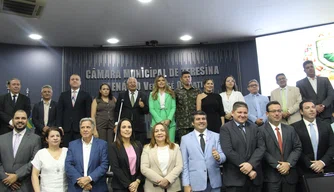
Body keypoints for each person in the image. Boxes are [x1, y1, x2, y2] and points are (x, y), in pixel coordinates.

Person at [220, 101, 265, 192]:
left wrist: (251, 164)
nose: (242, 115)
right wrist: (248, 169)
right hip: (235, 179)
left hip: (255, 178)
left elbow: (261, 148)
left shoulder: (254, 127)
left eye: (245, 113)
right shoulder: (225, 128)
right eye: (239, 112)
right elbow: (228, 151)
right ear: (232, 113)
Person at [291, 100, 334, 192]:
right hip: (303, 170)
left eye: (313, 107)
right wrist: (311, 164)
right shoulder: (293, 128)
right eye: (307, 108)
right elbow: (295, 149)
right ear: (301, 112)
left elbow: (332, 146)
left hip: (325, 169)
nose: (311, 110)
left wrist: (322, 162)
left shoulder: (326, 125)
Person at [259, 101, 302, 192]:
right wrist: (279, 166)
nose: (277, 113)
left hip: (290, 175)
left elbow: (297, 147)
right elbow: (262, 151)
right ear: (267, 114)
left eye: (279, 111)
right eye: (273, 111)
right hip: (271, 177)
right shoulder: (260, 131)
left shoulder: (290, 129)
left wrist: (288, 164)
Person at [181, 110, 226, 192]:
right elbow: (185, 164)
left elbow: (223, 156)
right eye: (198, 119)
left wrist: (219, 157)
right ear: (192, 123)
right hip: (196, 183)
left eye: (203, 119)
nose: (201, 121)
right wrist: (186, 184)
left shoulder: (216, 136)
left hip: (214, 183)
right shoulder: (185, 139)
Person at [0, 110, 41, 191]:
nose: (20, 121)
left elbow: (34, 161)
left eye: (23, 118)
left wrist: (16, 176)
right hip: (3, 185)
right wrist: (7, 179)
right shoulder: (1, 138)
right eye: (17, 118)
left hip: (23, 186)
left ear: (27, 120)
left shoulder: (35, 139)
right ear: (13, 120)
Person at [65, 118, 109, 192]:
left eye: (88, 127)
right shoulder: (72, 145)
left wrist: (89, 178)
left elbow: (104, 165)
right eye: (82, 127)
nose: (85, 130)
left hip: (96, 187)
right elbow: (68, 165)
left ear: (93, 129)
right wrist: (82, 182)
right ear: (80, 130)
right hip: (77, 187)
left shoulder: (102, 144)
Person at [141, 123, 183, 192]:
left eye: (162, 130)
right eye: (156, 131)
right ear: (153, 134)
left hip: (173, 187)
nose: (159, 133)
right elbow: (144, 168)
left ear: (166, 133)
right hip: (153, 188)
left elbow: (179, 166)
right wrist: (161, 181)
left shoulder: (175, 147)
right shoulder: (147, 148)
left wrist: (168, 180)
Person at [57, 74, 92, 147]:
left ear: (80, 82)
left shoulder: (86, 95)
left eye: (77, 79)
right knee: (66, 149)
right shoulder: (63, 95)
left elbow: (88, 112)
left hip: (80, 128)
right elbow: (59, 111)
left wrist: (87, 126)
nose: (74, 80)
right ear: (69, 82)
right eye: (72, 79)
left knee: (79, 148)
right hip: (66, 129)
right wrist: (59, 126)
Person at [110, 118, 144, 192]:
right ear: (119, 130)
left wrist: (137, 181)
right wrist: (130, 185)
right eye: (124, 127)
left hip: (137, 185)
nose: (127, 129)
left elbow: (143, 165)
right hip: (120, 187)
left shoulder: (138, 145)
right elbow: (115, 168)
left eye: (129, 127)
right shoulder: (113, 146)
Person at [31, 127, 68, 192]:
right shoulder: (41, 153)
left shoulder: (67, 152)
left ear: (61, 138)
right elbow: (34, 175)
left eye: (57, 136)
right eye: (52, 136)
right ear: (46, 139)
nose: (55, 138)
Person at [115, 77, 149, 145]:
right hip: (126, 127)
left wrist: (142, 106)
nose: (132, 84)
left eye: (134, 82)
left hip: (139, 128)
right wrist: (116, 124)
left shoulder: (143, 95)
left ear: (137, 84)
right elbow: (117, 111)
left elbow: (147, 111)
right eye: (130, 82)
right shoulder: (122, 95)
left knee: (140, 147)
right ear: (127, 85)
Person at [174, 71, 201, 144]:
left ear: (191, 78)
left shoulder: (197, 91)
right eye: (185, 77)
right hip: (182, 125)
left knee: (196, 145)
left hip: (194, 123)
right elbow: (174, 107)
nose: (187, 78)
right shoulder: (177, 91)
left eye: (189, 77)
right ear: (181, 79)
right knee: (183, 145)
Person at [149, 75, 176, 142]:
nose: (161, 82)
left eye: (163, 80)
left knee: (170, 143)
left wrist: (169, 119)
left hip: (170, 122)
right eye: (159, 81)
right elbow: (151, 109)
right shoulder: (152, 94)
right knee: (157, 143)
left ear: (165, 82)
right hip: (156, 121)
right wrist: (160, 121)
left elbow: (173, 107)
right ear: (156, 83)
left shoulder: (171, 93)